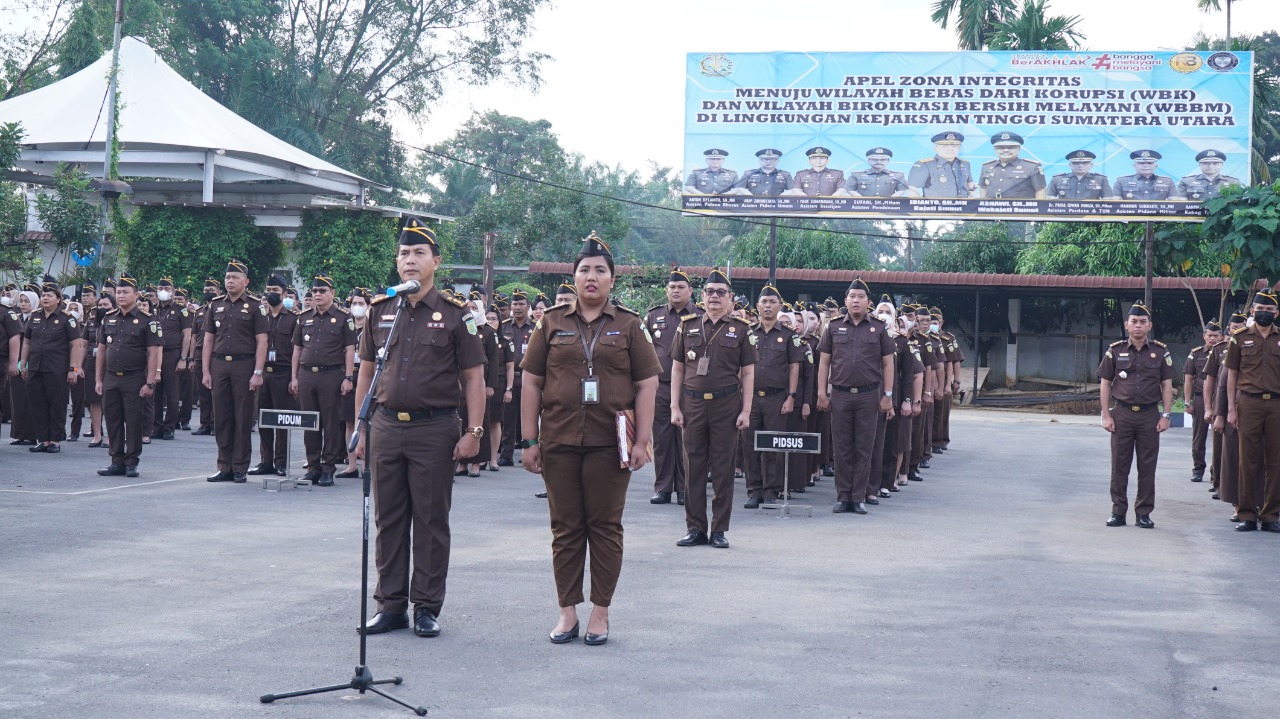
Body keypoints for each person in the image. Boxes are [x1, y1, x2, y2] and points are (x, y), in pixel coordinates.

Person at [520, 231, 660, 646]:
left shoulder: (630, 325)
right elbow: (531, 382)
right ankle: (567, 613)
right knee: (565, 528)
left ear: (612, 279)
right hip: (559, 441)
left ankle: (600, 613)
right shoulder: (550, 323)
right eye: (584, 270)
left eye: (600, 270)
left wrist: (642, 442)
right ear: (575, 278)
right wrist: (530, 441)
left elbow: (647, 385)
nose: (592, 277)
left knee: (604, 526)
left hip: (610, 443)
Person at [353, 217, 486, 638]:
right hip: (386, 427)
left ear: (436, 262)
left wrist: (475, 432)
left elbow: (474, 378)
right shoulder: (380, 310)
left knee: (430, 522)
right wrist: (359, 428)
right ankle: (390, 605)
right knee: (388, 519)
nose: (410, 261)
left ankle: (426, 606)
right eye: (404, 254)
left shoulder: (455, 315)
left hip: (435, 429)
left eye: (419, 254)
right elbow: (366, 374)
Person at [670, 269, 754, 549]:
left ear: (730, 299)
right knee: (693, 467)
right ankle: (695, 528)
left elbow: (748, 373)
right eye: (710, 292)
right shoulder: (687, 325)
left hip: (727, 405)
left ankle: (718, 529)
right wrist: (674, 407)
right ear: (702, 296)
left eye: (721, 293)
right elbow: (678, 368)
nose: (715, 297)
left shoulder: (741, 330)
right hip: (692, 403)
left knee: (722, 468)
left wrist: (745, 410)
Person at [816, 278, 896, 513]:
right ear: (846, 301)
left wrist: (888, 395)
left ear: (868, 302)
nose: (856, 300)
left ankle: (859, 496)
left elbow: (888, 364)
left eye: (861, 297)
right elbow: (824, 363)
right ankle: (843, 496)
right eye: (852, 297)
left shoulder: (879, 328)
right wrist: (822, 392)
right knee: (841, 447)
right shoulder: (832, 326)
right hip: (839, 394)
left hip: (868, 395)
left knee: (864, 447)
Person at [1096, 303, 1175, 528]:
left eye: (1142, 322)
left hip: (1150, 415)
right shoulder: (1115, 350)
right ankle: (1118, 512)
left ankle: (1143, 513)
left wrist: (1166, 415)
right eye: (1134, 322)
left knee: (1147, 466)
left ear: (1149, 326)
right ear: (1126, 325)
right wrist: (1106, 415)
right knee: (1119, 465)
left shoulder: (1160, 352)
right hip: (1121, 414)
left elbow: (1167, 385)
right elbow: (1105, 384)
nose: (1138, 326)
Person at [202, 260, 269, 484]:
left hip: (244, 365)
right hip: (220, 365)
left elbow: (262, 341)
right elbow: (208, 340)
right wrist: (206, 371)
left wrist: (257, 372)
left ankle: (240, 466)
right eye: (228, 278)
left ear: (246, 282)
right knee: (221, 417)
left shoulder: (255, 306)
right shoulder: (215, 305)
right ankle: (224, 465)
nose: (230, 281)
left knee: (242, 416)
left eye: (235, 278)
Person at [741, 285, 804, 508]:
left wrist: (792, 396)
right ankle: (754, 490)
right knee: (750, 445)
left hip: (777, 398)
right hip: (751, 398)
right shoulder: (747, 332)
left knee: (773, 446)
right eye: (764, 302)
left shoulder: (788, 335)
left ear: (779, 306)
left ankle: (771, 490)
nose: (767, 306)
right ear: (757, 306)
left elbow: (794, 367)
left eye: (772, 302)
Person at [289, 274, 356, 486]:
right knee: (310, 423)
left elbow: (349, 349)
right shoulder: (304, 317)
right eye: (315, 291)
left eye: (322, 291)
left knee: (330, 423)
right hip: (307, 374)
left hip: (331, 375)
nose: (317, 295)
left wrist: (348, 377)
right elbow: (297, 349)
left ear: (332, 294)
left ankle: (328, 468)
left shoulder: (344, 317)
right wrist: (294, 377)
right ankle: (313, 467)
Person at [95, 273, 162, 478]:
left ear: (137, 294)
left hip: (134, 377)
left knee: (133, 421)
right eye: (119, 292)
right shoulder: (109, 318)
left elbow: (153, 352)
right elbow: (102, 350)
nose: (121, 295)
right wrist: (99, 379)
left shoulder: (148, 321)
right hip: (111, 377)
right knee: (113, 420)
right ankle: (116, 461)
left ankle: (131, 461)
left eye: (126, 292)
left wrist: (150, 382)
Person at [644, 268, 702, 505]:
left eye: (681, 288)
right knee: (662, 438)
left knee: (687, 439)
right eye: (672, 287)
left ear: (690, 291)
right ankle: (663, 487)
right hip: (661, 386)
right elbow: (643, 351)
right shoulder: (653, 316)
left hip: (690, 388)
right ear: (666, 291)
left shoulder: (700, 315)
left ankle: (684, 488)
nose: (676, 291)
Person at [1225, 291, 1280, 532]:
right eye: (1259, 309)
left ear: (1276, 313)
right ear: (1251, 311)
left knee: (1276, 461)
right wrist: (1230, 409)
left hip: (1277, 404)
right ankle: (1246, 513)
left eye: (1269, 310)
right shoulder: (1238, 338)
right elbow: (1232, 375)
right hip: (1248, 403)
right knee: (1247, 459)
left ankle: (1270, 515)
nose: (1264, 313)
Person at [21, 276, 86, 453]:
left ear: (58, 299)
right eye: (43, 295)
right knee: (38, 404)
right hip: (36, 366)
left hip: (56, 368)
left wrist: (73, 369)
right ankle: (44, 439)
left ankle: (56, 440)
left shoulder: (67, 319)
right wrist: (23, 364)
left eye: (49, 295)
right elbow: (27, 342)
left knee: (56, 405)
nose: (45, 298)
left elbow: (76, 345)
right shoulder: (34, 317)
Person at [249, 273, 299, 478]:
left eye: (275, 292)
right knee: (264, 419)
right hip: (263, 373)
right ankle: (265, 461)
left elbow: (297, 350)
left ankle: (281, 462)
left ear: (284, 294)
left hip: (283, 373)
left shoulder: (294, 319)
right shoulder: (260, 316)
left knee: (282, 420)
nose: (271, 295)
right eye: (268, 291)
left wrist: (294, 377)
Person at [149, 278, 192, 440]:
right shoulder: (153, 310)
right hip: (154, 354)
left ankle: (169, 426)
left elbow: (187, 335)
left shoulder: (182, 310)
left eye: (166, 288)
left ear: (173, 291)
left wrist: (183, 358)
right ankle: (156, 426)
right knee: (155, 391)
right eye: (160, 288)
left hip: (172, 354)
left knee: (172, 392)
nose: (163, 291)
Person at [338, 287, 373, 479]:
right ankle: (352, 465)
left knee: (367, 423)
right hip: (350, 376)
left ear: (368, 306)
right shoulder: (347, 325)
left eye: (361, 303)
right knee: (350, 423)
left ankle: (367, 464)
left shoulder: (372, 326)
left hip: (367, 377)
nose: (357, 307)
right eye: (354, 304)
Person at [499, 290, 537, 468]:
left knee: (529, 417)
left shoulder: (536, 327)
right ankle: (506, 455)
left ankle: (527, 452)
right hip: (509, 380)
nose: (517, 308)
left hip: (529, 379)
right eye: (515, 304)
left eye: (521, 304)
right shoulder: (504, 326)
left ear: (528, 307)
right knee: (508, 419)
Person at [1183, 321, 1224, 483]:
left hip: (1221, 400)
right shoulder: (1196, 354)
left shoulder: (1226, 352)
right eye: (1210, 335)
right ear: (1204, 336)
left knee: (1219, 438)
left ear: (1221, 336)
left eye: (1216, 336)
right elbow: (1188, 379)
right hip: (1200, 399)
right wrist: (1187, 402)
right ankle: (1198, 469)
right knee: (1199, 436)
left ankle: (1217, 472)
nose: (1213, 339)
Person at [83, 293, 116, 447]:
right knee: (94, 400)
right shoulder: (91, 322)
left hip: (112, 364)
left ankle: (111, 436)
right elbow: (83, 345)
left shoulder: (117, 321)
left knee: (110, 402)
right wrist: (77, 366)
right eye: (100, 305)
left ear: (113, 307)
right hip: (91, 363)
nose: (103, 308)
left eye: (106, 305)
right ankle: (97, 435)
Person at [190, 278, 221, 436]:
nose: (208, 293)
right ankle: (205, 424)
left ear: (219, 293)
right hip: (200, 352)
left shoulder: (220, 309)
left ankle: (216, 424)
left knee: (216, 391)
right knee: (203, 391)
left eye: (212, 291)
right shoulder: (199, 311)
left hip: (216, 353)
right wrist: (190, 358)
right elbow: (194, 336)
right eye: (206, 290)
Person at [8, 288, 38, 445]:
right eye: (22, 301)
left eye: (27, 301)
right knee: (16, 399)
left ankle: (30, 435)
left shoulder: (36, 318)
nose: (23, 304)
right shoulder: (17, 317)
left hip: (30, 361)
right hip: (15, 360)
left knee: (28, 399)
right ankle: (18, 434)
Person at [978, 132, 1046, 199]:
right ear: (995, 149)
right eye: (1000, 147)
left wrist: (1040, 208)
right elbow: (984, 188)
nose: (1006, 150)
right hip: (992, 208)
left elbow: (1040, 191)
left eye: (1011, 147)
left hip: (1021, 208)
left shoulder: (1032, 166)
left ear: (1019, 149)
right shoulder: (986, 166)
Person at [907, 132, 975, 197]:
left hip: (964, 207)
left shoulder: (965, 164)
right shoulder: (924, 165)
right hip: (936, 207)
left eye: (954, 145)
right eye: (945, 146)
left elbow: (971, 186)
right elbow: (913, 190)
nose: (950, 149)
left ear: (959, 148)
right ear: (935, 148)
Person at [1177, 149, 1243, 201]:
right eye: (1206, 163)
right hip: (1194, 216)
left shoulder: (1233, 182)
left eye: (1215, 163)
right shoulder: (1186, 181)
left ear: (1222, 164)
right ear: (1199, 165)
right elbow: (1182, 204)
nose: (1210, 166)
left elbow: (1238, 203)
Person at [1113, 150, 1179, 200]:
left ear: (1156, 166)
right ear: (1134, 166)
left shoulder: (1167, 181)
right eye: (1141, 163)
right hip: (1131, 216)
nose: (1145, 166)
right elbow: (1114, 204)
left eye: (1149, 163)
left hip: (1158, 216)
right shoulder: (1122, 181)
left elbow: (1175, 204)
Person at [1049, 150, 1114, 199]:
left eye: (1085, 163)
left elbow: (1108, 202)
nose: (1080, 166)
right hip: (1064, 215)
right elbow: (1048, 200)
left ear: (1091, 165)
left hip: (1091, 215)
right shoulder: (1057, 179)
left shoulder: (1100, 179)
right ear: (1070, 165)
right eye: (1076, 163)